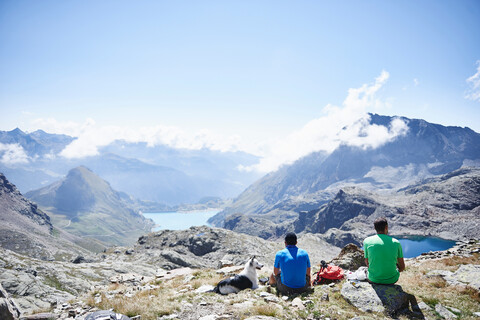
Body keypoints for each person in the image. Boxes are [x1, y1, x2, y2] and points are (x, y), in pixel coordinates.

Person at [363, 217, 405, 284]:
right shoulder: (396, 243)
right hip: (392, 280)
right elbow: (402, 267)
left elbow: (367, 262)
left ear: (374, 228)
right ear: (386, 227)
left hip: (373, 279)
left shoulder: (367, 241)